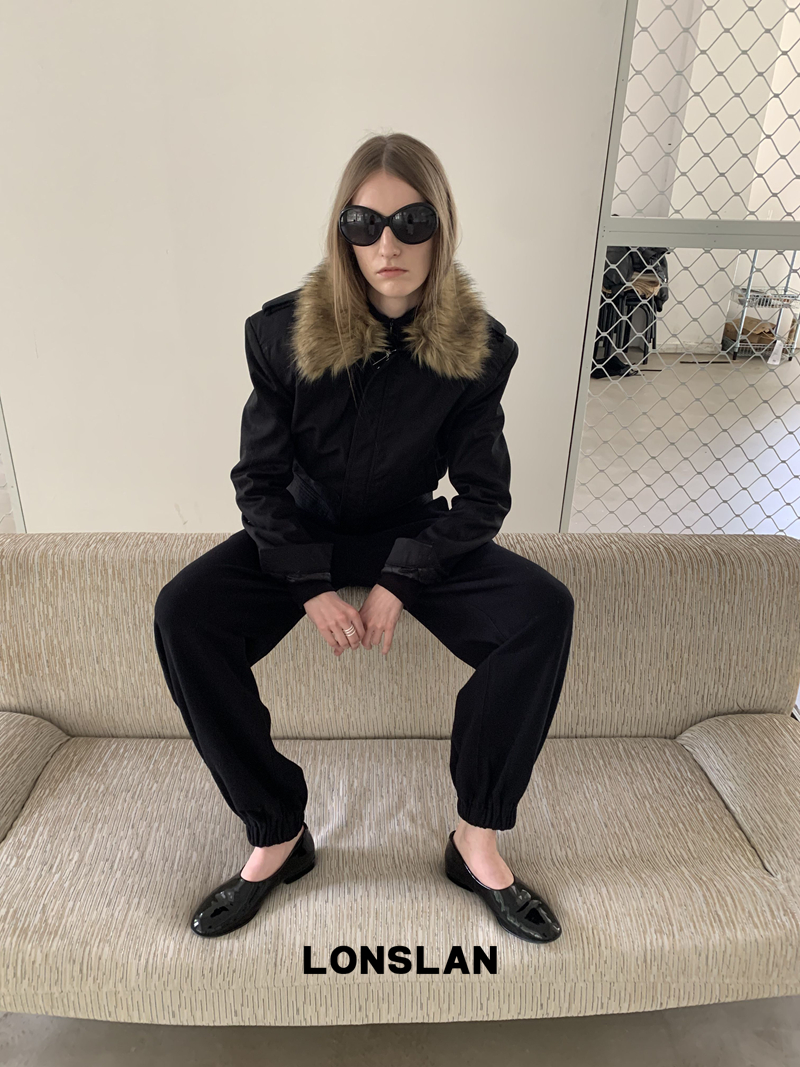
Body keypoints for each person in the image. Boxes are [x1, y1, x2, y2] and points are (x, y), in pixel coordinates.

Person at [153, 132, 574, 943]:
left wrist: (401, 578)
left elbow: (484, 496)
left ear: (441, 226)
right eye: (365, 222)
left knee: (541, 610)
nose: (388, 244)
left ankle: (476, 839)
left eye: (412, 221)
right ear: (341, 231)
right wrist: (310, 584)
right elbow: (258, 482)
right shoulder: (281, 336)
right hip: (301, 526)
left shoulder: (478, 350)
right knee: (184, 613)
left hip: (406, 529)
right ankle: (277, 828)